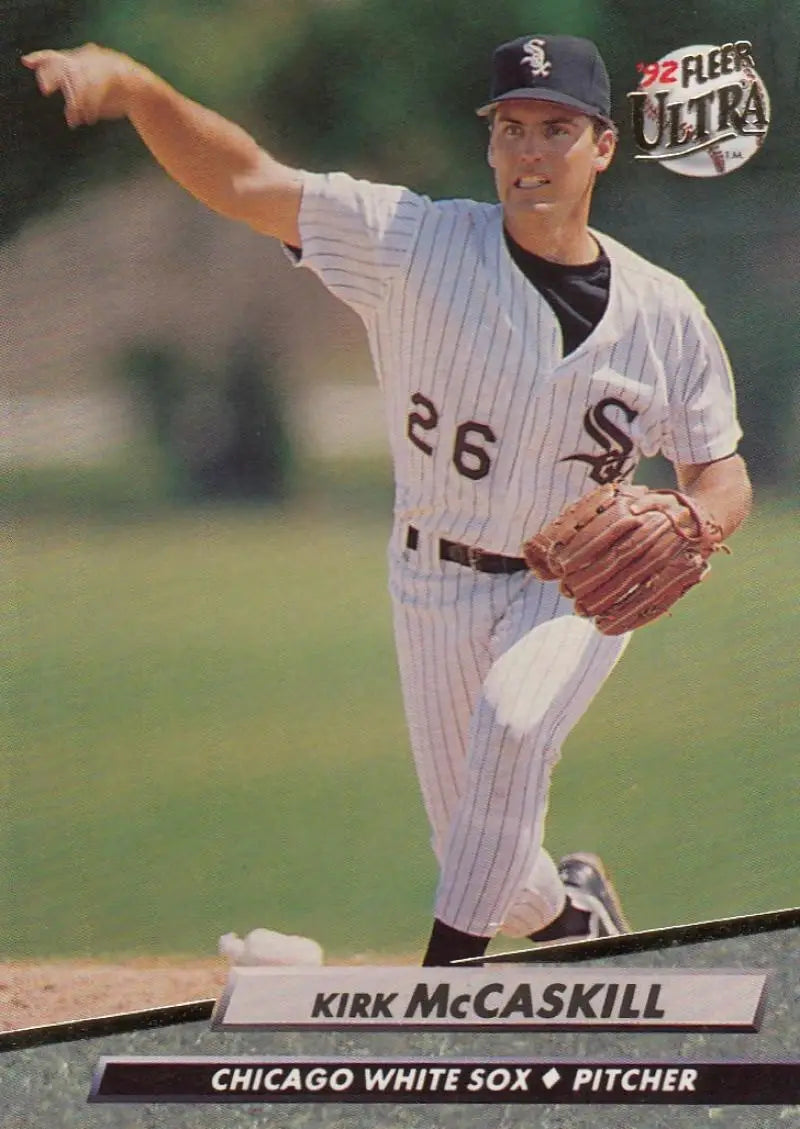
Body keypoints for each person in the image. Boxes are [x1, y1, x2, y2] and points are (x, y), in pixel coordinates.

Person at [22, 33, 752, 966]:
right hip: (431, 580)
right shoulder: (411, 241)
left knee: (514, 722)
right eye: (513, 128)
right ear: (490, 144)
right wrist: (140, 91)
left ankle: (443, 979)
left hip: (571, 587)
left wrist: (697, 517)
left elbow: (720, 472)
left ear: (603, 145)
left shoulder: (666, 313)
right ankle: (573, 913)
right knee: (481, 854)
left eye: (556, 129)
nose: (531, 151)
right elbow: (245, 181)